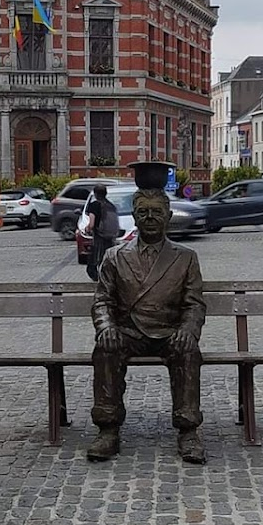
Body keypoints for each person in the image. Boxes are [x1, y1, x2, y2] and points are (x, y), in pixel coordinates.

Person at [87, 187, 207, 464]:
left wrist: (188, 330)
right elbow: (102, 300)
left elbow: (194, 304)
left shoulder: (185, 257)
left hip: (169, 332)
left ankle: (188, 430)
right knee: (105, 349)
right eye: (143, 212)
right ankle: (108, 428)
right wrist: (106, 327)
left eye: (156, 212)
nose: (150, 217)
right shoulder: (114, 256)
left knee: (188, 352)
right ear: (134, 216)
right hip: (129, 332)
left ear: (168, 216)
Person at [85, 185, 119, 282]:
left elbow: (91, 224)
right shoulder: (111, 206)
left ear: (95, 194)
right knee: (108, 261)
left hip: (99, 238)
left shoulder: (94, 205)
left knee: (93, 264)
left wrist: (87, 228)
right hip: (110, 238)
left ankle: (99, 283)